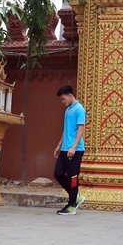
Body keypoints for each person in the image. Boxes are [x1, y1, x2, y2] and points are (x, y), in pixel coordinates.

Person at [53, 84, 86, 215]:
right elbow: (66, 130)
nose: (62, 102)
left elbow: (81, 129)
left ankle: (72, 205)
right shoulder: (68, 110)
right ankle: (75, 196)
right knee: (58, 173)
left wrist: (73, 147)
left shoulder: (79, 109)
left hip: (75, 150)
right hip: (65, 149)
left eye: (63, 99)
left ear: (70, 95)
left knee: (73, 176)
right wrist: (59, 145)